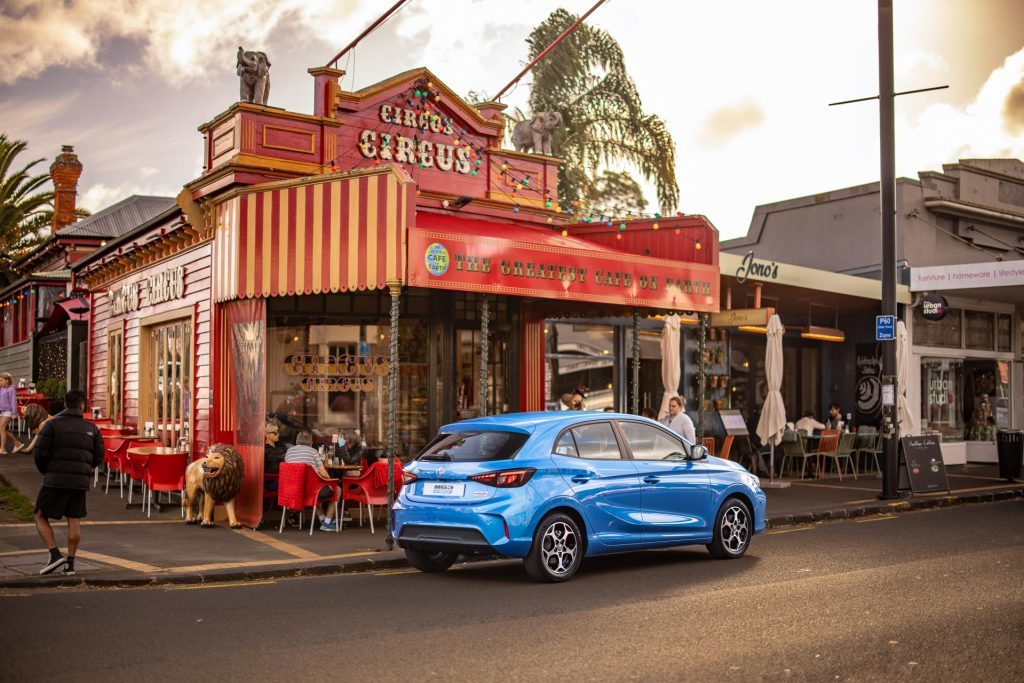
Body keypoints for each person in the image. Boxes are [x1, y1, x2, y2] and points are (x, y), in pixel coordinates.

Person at [32, 390, 105, 575]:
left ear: (65, 404)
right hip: (79, 481)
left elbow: (40, 453)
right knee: (74, 518)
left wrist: (46, 471)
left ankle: (55, 554)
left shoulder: (52, 425)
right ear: (82, 405)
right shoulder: (92, 429)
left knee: (40, 515)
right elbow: (99, 457)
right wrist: (83, 469)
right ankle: (70, 564)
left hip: (54, 479)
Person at [284, 431, 338, 531]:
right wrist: (331, 482)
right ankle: (327, 522)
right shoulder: (313, 452)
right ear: (311, 442)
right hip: (310, 492)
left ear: (296, 441)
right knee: (337, 490)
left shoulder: (289, 451)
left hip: (293, 492)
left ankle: (322, 519)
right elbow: (323, 473)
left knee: (314, 487)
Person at [0, 373, 25, 454]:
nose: (0, 382)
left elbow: (13, 401)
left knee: (2, 428)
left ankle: (3, 448)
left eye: (1, 380)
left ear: (7, 380)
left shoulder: (11, 389)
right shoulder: (1, 388)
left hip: (8, 411)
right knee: (3, 429)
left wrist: (14, 413)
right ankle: (17, 443)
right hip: (1, 411)